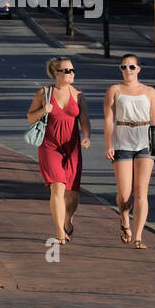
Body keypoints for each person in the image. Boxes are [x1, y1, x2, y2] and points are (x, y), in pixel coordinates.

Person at [27, 57, 90, 245]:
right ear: (56, 73)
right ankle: (59, 232)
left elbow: (84, 119)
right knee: (57, 186)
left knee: (72, 194)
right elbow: (30, 117)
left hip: (72, 147)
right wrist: (43, 111)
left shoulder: (79, 95)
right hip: (49, 145)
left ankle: (67, 219)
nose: (71, 73)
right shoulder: (44, 93)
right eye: (67, 70)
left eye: (72, 70)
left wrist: (86, 136)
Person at [103, 53, 155, 250]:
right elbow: (108, 119)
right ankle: (124, 217)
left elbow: (154, 120)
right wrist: (109, 144)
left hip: (144, 141)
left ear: (138, 69)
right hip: (122, 141)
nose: (127, 70)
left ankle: (139, 237)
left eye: (131, 67)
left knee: (141, 191)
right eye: (124, 67)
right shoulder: (114, 90)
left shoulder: (149, 91)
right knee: (125, 194)